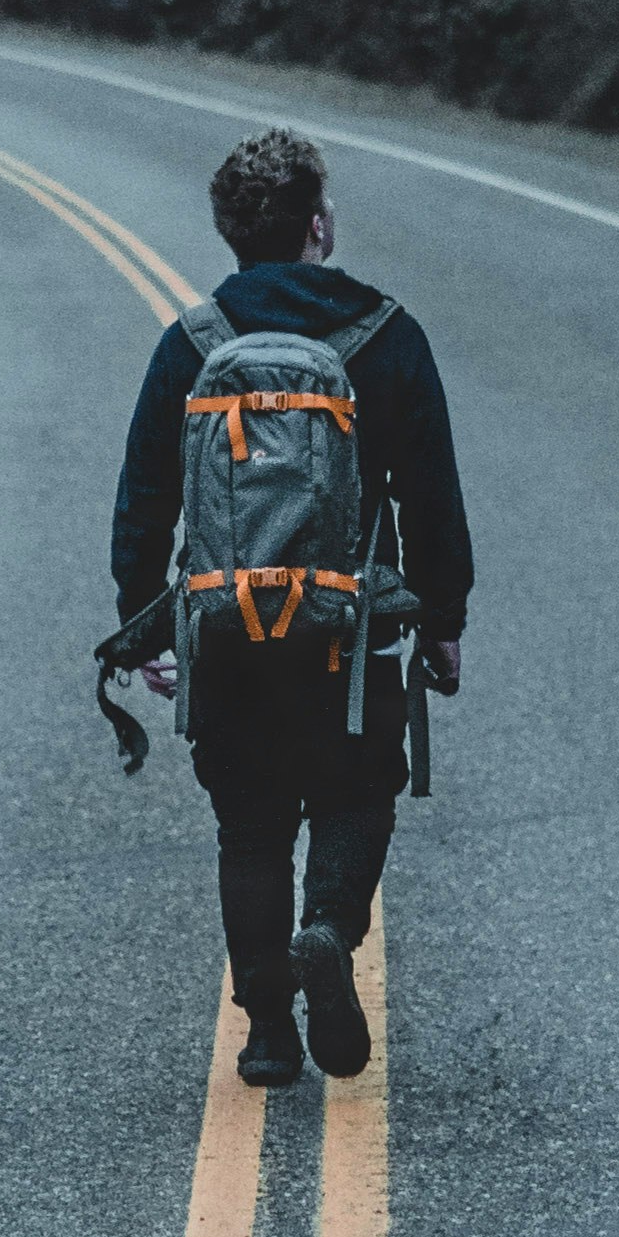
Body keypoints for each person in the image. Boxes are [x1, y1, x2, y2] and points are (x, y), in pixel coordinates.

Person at [105, 126, 472, 1086]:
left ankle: (268, 1032)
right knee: (356, 794)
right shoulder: (386, 334)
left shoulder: (191, 344)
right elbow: (432, 494)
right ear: (319, 225)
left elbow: (145, 498)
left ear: (231, 234)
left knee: (250, 825)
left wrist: (148, 622)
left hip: (225, 634)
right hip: (345, 637)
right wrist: (442, 622)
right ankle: (328, 930)